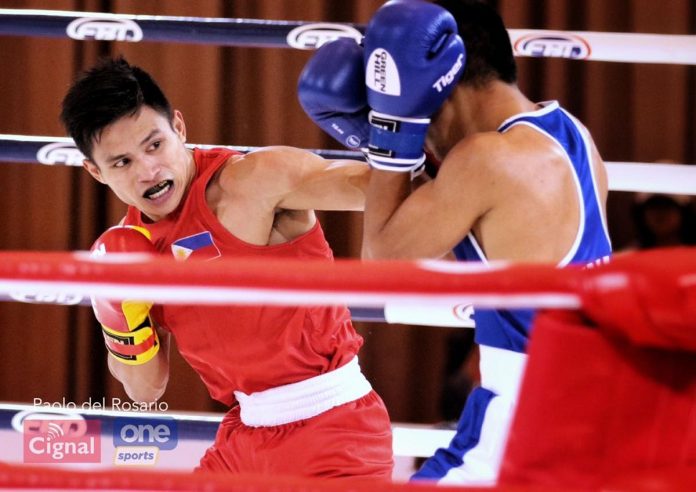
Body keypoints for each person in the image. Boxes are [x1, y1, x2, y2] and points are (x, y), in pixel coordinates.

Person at [298, 0, 611, 485]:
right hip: (588, 409)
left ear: (442, 82)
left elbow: (383, 264)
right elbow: (453, 240)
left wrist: (394, 133)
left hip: (524, 427)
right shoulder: (568, 133)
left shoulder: (488, 158)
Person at [60, 56, 393, 479]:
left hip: (334, 428)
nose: (148, 170)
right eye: (121, 162)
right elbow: (146, 391)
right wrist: (119, 321)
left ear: (178, 128)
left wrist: (392, 139)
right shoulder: (129, 251)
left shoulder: (253, 181)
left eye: (154, 144)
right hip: (244, 437)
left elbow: (377, 191)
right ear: (95, 171)